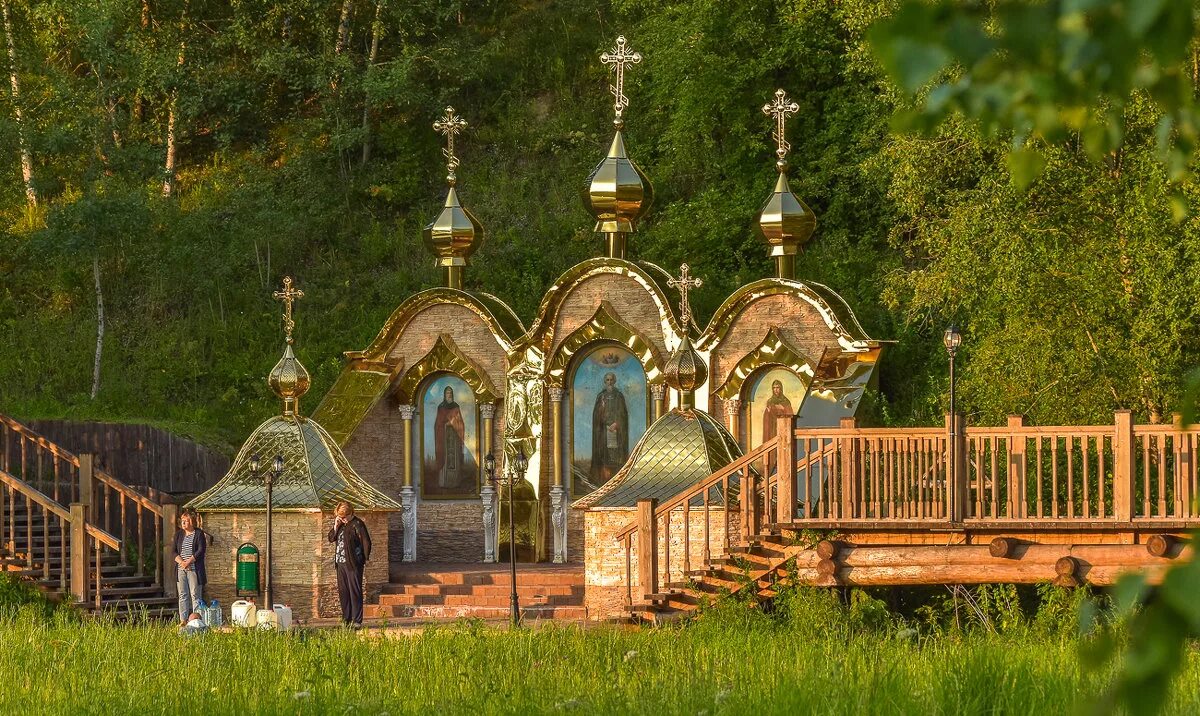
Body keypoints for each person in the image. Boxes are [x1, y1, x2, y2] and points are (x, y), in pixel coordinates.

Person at [328, 501, 371, 627]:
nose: (342, 519)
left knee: (354, 591)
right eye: (340, 517)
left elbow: (366, 542)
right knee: (343, 591)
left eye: (344, 517)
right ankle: (346, 618)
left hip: (353, 563)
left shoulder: (357, 524)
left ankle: (357, 620)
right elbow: (331, 538)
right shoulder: (341, 525)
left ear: (350, 513)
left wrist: (363, 559)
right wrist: (336, 526)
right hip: (340, 563)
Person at [590, 372, 629, 486]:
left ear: (614, 381)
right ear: (605, 381)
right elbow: (596, 415)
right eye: (607, 380)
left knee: (616, 457)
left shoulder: (619, 396)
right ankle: (603, 482)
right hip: (603, 432)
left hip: (616, 432)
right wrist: (601, 414)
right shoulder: (601, 396)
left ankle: (617, 482)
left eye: (611, 380)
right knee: (603, 456)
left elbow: (623, 414)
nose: (609, 382)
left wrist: (617, 423)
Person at [172, 508, 207, 625]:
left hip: (194, 569)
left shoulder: (198, 533)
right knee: (183, 594)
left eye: (185, 521)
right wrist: (181, 562)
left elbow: (201, 550)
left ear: (191, 521)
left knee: (195, 594)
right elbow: (173, 552)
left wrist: (188, 562)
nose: (183, 523)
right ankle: (183, 620)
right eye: (182, 521)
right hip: (181, 569)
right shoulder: (178, 534)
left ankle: (196, 620)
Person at [433, 384, 467, 490]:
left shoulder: (456, 406)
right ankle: (444, 482)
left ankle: (455, 482)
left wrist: (454, 424)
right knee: (445, 457)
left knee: (454, 459)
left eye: (451, 393)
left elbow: (460, 422)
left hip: (454, 438)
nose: (449, 395)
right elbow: (438, 423)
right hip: (444, 437)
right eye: (447, 393)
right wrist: (444, 424)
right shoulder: (441, 407)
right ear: (444, 394)